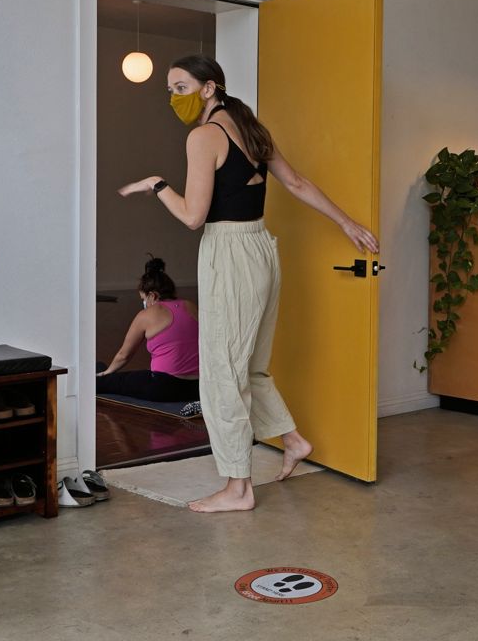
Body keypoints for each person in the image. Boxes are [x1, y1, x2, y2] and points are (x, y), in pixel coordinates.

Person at [118, 55, 379, 513]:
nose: (172, 97)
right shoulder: (250, 127)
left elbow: (194, 217)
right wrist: (346, 222)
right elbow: (295, 182)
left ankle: (238, 488)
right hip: (262, 248)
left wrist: (157, 185)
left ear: (208, 88)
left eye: (180, 88)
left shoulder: (203, 136)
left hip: (230, 253)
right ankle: (293, 440)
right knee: (251, 367)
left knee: (222, 375)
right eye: (169, 89)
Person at [95, 257, 200, 403]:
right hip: (197, 387)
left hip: (164, 387)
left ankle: (99, 373)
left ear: (152, 295)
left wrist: (106, 374)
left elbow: (124, 355)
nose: (144, 304)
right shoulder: (190, 306)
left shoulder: (146, 315)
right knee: (134, 376)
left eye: (143, 299)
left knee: (109, 381)